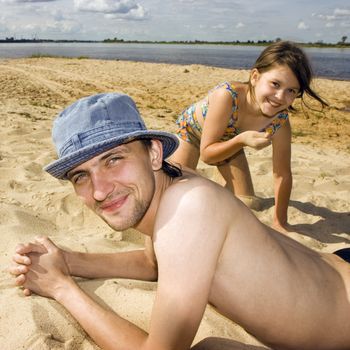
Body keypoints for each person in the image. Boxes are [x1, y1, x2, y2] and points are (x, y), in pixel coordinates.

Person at [9, 93, 350, 350]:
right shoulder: (171, 180)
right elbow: (153, 263)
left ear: (154, 153)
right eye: (80, 176)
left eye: (113, 159)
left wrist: (61, 288)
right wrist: (68, 261)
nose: (99, 191)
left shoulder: (189, 208)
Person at [170, 41, 328, 233]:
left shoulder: (280, 122)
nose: (280, 96)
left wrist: (280, 222)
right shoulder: (227, 96)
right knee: (173, 192)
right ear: (255, 77)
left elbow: (282, 174)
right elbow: (207, 154)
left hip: (231, 144)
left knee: (247, 202)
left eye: (291, 91)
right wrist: (240, 140)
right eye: (275, 84)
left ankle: (217, 189)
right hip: (193, 133)